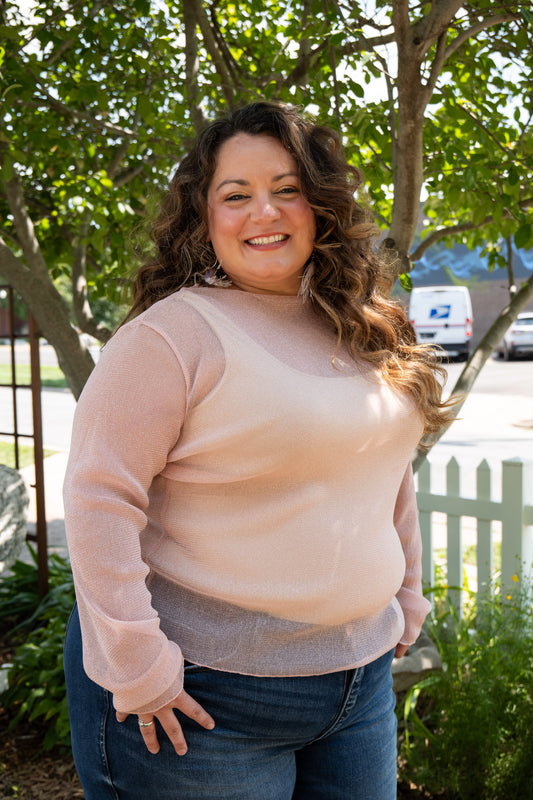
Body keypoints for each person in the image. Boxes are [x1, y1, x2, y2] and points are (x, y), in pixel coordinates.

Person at [63, 101, 450, 800]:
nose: (262, 213)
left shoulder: (361, 324)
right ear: (203, 218)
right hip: (204, 696)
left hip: (355, 688)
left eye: (286, 189)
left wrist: (406, 594)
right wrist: (137, 663)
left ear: (320, 204)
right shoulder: (170, 337)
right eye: (234, 196)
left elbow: (382, 468)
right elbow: (97, 497)